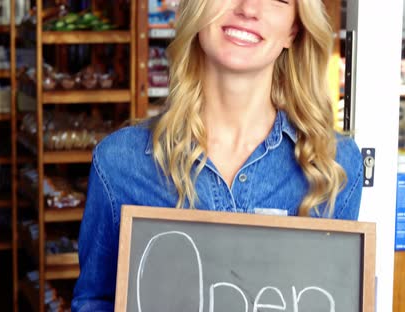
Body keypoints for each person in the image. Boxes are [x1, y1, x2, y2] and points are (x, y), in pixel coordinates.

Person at [71, 0, 363, 310]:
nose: (249, 8)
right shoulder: (120, 162)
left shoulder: (333, 165)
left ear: (294, 29)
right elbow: (96, 301)